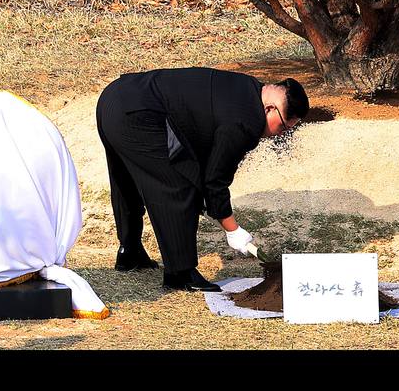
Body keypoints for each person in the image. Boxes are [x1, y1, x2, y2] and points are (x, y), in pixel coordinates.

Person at [96, 67, 308, 292]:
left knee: (125, 179)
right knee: (178, 185)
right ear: (270, 108)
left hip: (114, 98)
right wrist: (232, 229)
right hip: (139, 114)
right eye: (284, 126)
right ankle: (180, 273)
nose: (281, 134)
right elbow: (216, 180)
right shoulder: (246, 121)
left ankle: (130, 252)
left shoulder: (249, 88)